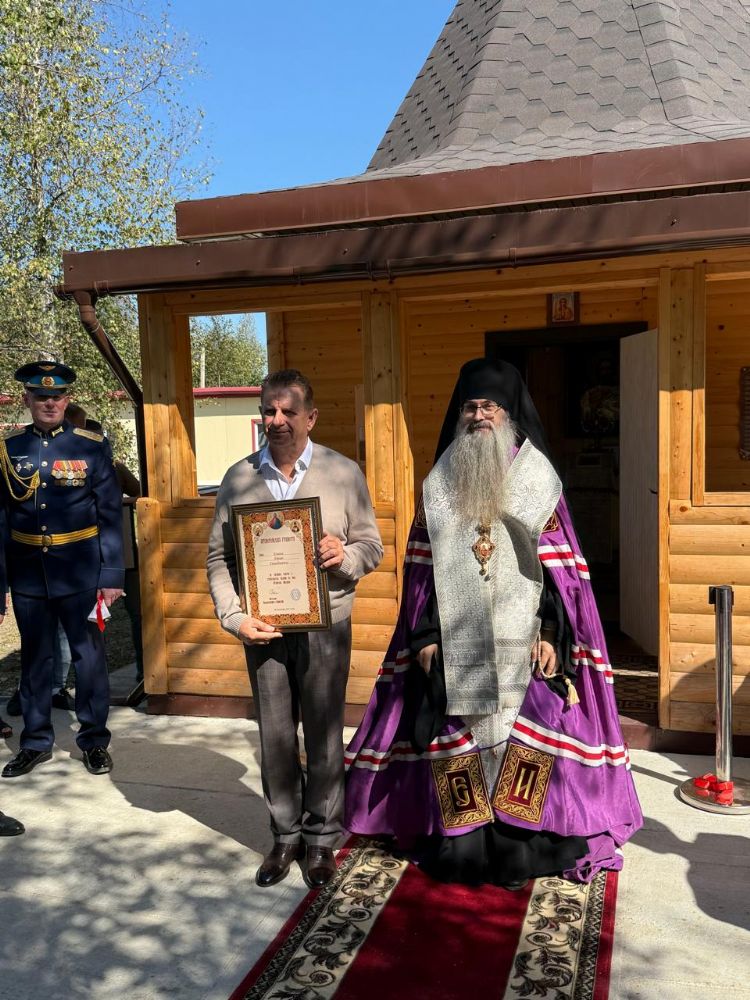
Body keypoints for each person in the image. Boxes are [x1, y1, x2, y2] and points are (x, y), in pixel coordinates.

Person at [345, 358, 643, 888]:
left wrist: (551, 635)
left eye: (490, 406)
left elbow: (560, 576)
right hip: (455, 645)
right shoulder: (439, 483)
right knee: (455, 741)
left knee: (527, 738)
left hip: (523, 643)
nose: (479, 416)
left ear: (509, 414)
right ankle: (463, 843)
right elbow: (421, 574)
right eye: (470, 407)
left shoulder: (538, 480)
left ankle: (520, 846)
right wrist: (425, 637)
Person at [207, 369, 383, 889]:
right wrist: (234, 616)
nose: (277, 420)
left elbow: (371, 546)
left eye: (288, 411)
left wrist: (343, 555)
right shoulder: (239, 478)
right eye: (269, 410)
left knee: (324, 733)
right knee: (276, 735)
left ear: (311, 417)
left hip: (327, 624)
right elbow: (219, 558)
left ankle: (322, 838)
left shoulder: (343, 472)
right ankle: (285, 836)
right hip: (263, 627)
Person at [0, 362, 124, 779]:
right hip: (29, 573)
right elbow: (2, 519)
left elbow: (110, 515)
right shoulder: (9, 448)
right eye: (41, 396)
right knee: (35, 659)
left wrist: (111, 575)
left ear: (67, 399)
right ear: (27, 399)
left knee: (88, 659)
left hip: (81, 571)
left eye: (57, 396)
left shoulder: (91, 446)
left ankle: (94, 740)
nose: (49, 403)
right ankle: (35, 741)